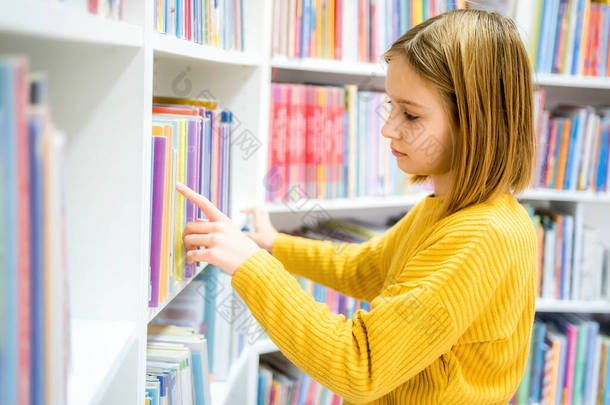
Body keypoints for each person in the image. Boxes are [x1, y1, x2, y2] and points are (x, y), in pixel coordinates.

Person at [176, 8, 537, 405]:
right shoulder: (446, 208)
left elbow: (359, 366)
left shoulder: (482, 236)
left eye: (411, 115)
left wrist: (251, 266)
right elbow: (365, 269)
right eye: (391, 108)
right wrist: (273, 245)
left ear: (476, 121)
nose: (388, 128)